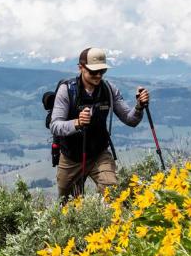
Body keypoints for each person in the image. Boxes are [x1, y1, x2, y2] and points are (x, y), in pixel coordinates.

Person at [48, 47, 150, 199]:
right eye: (93, 71)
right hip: (71, 158)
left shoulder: (109, 90)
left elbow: (130, 120)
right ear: (81, 68)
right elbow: (55, 126)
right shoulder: (67, 90)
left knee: (113, 195)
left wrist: (139, 106)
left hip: (99, 155)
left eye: (102, 71)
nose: (98, 75)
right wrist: (77, 122)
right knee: (67, 206)